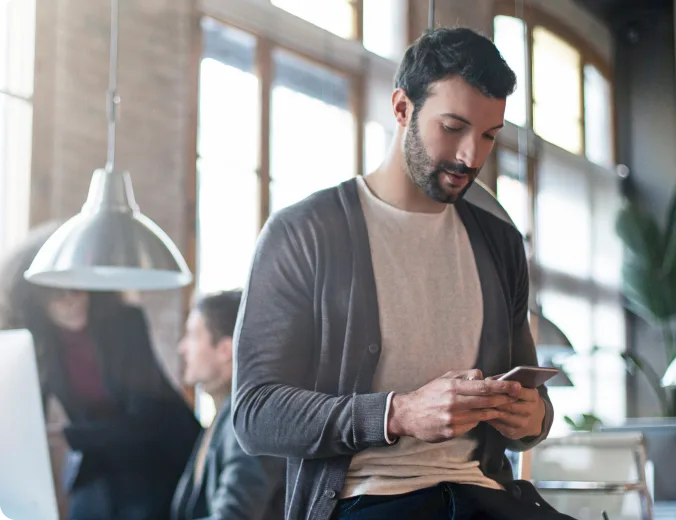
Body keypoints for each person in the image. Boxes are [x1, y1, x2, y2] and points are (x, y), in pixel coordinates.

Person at [232, 27, 576, 520]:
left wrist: (531, 416)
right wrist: (398, 413)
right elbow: (255, 413)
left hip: (485, 498)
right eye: (453, 127)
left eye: (488, 136)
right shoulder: (305, 232)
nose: (470, 157)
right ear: (401, 108)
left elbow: (530, 403)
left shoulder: (500, 245)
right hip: (368, 501)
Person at [0, 222, 202, 520]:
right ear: (34, 297)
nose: (72, 298)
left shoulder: (125, 322)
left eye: (77, 285)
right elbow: (31, 413)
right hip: (99, 465)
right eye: (57, 292)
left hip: (155, 456)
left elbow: (148, 421)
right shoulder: (38, 344)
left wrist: (71, 436)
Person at [172, 290, 285, 520]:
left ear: (225, 349)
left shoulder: (246, 419)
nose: (182, 348)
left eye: (193, 335)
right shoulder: (222, 414)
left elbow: (235, 515)